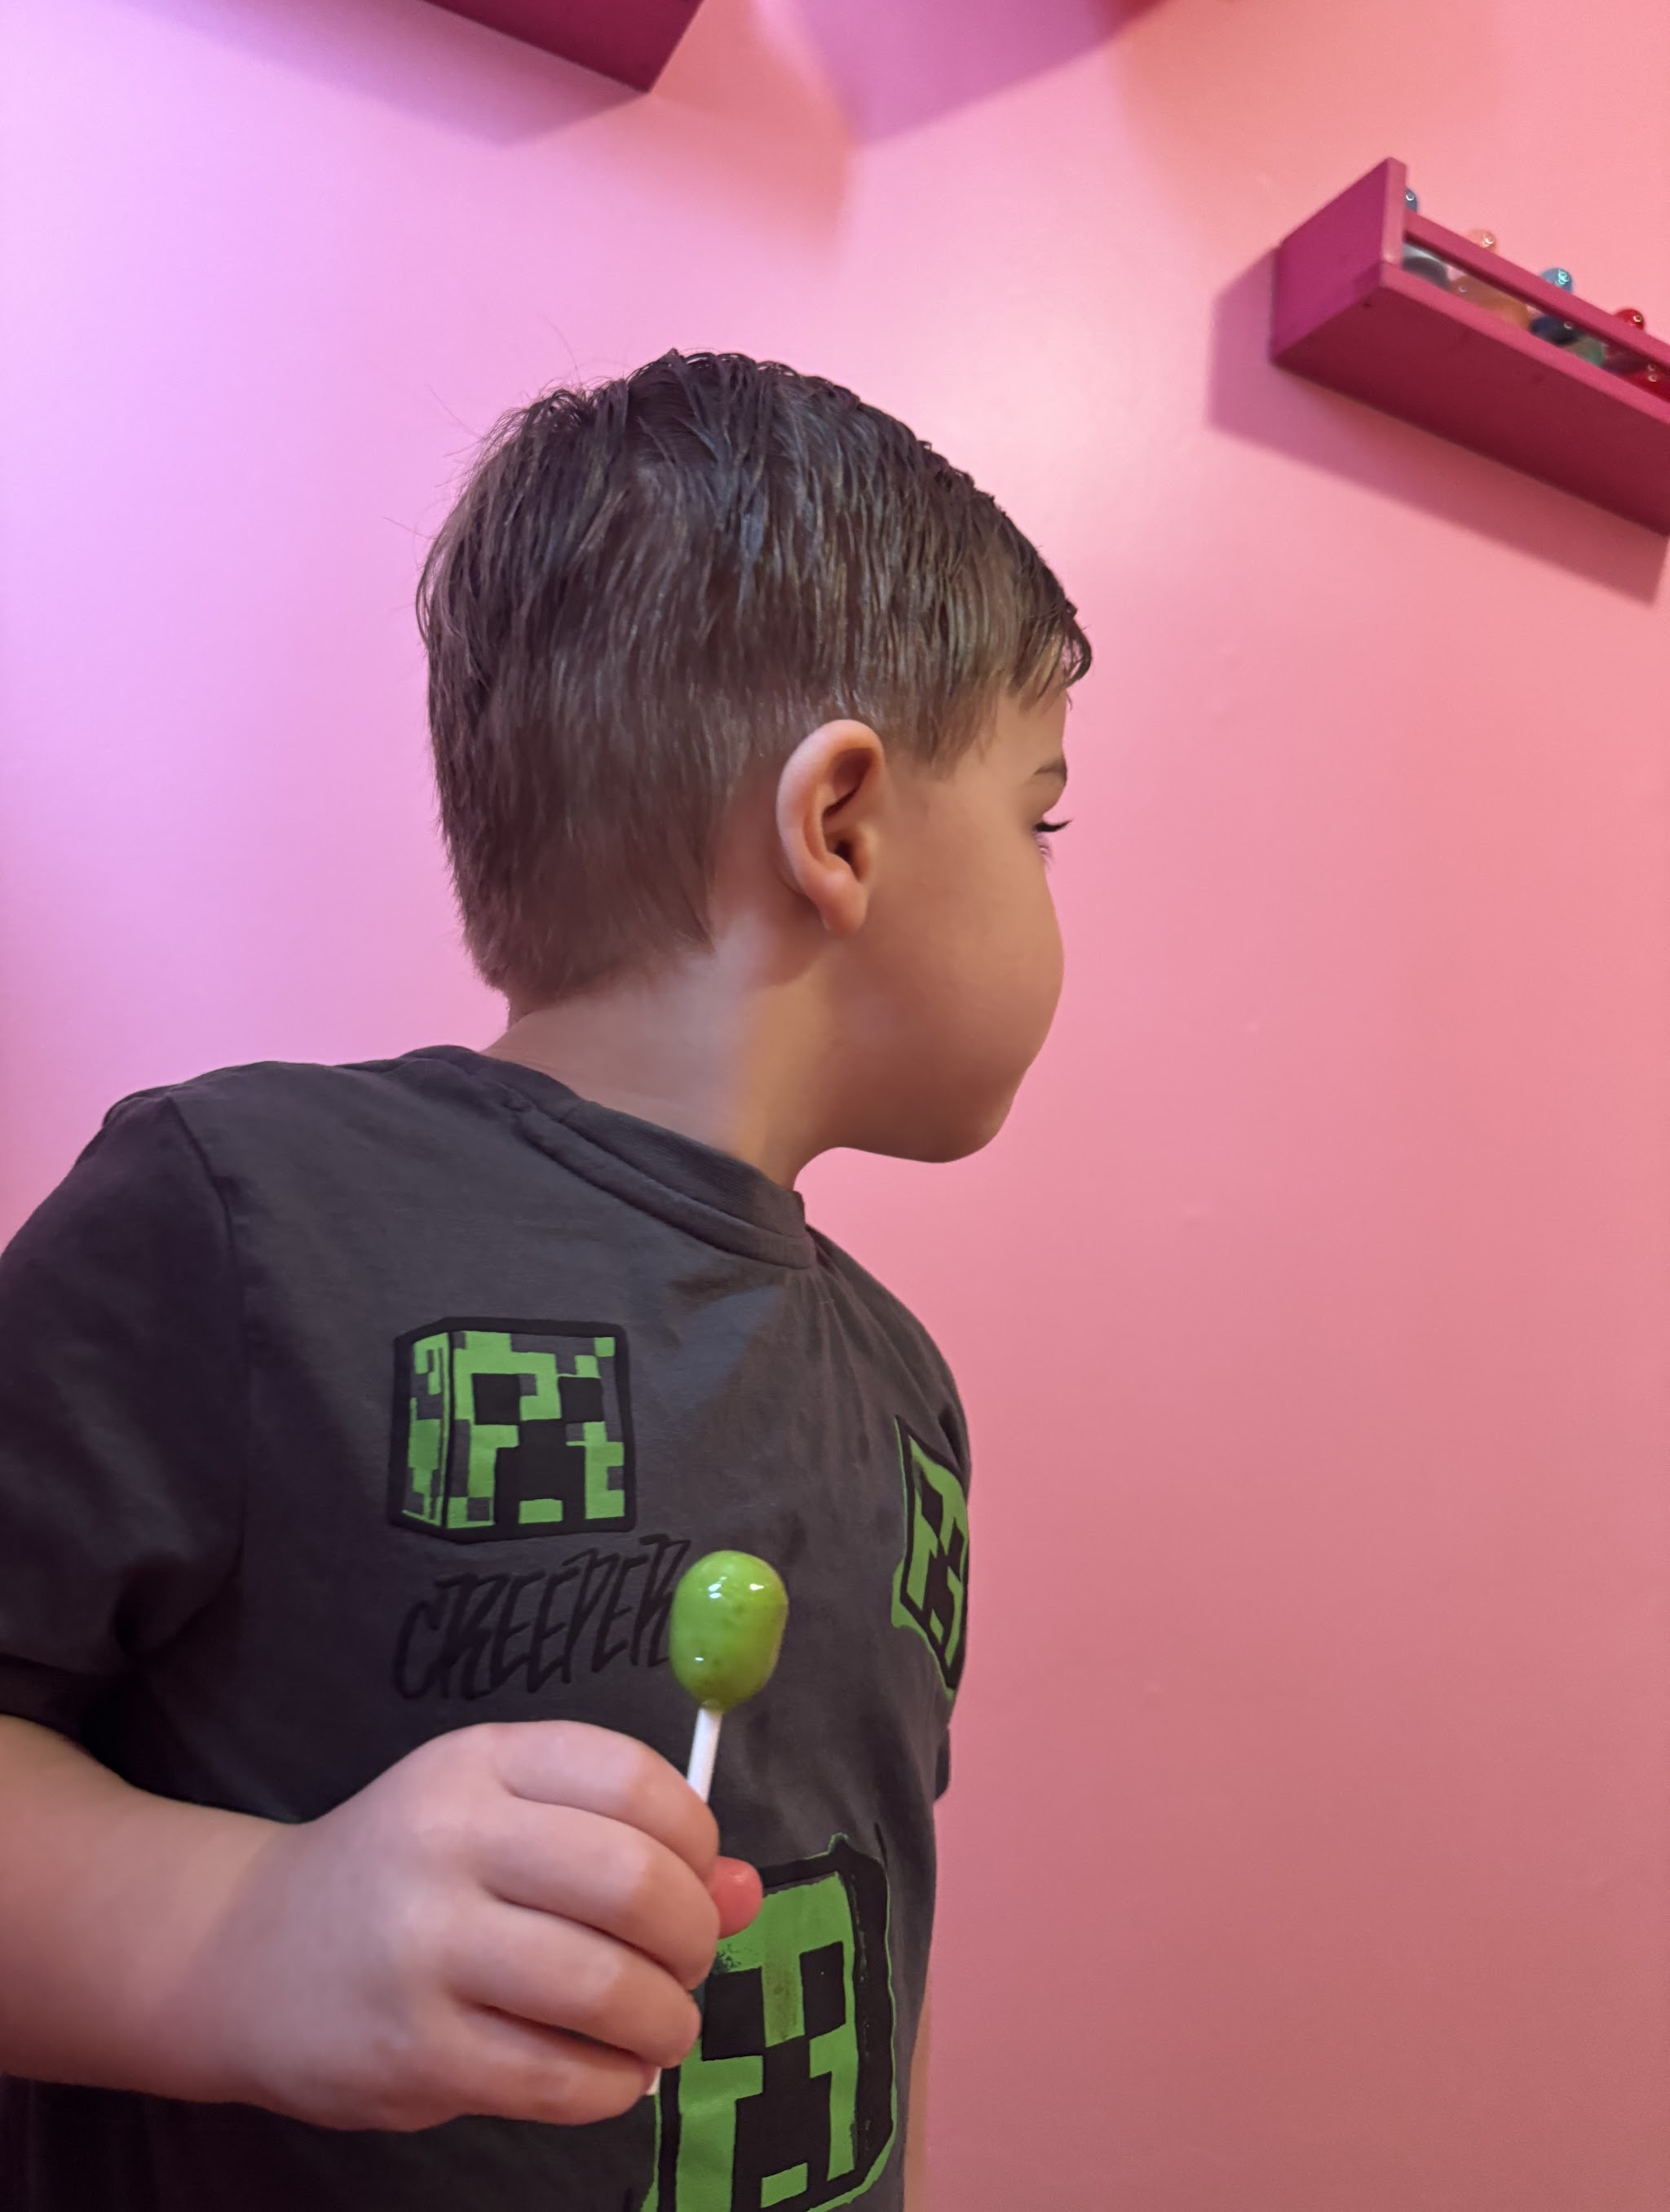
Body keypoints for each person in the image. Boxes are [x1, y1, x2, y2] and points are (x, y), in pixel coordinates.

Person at [0, 351, 1089, 2211]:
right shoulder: (243, 1210)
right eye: (1040, 815)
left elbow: (862, 1946)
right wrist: (249, 1929)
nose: (1055, 882)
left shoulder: (903, 1392)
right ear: (840, 823)